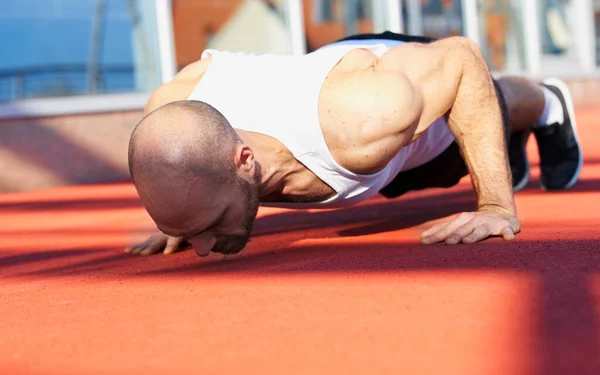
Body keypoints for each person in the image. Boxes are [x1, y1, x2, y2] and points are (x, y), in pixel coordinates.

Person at [125, 31, 582, 257]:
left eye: (211, 224)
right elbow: (176, 165)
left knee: (493, 104)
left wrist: (497, 207)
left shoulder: (366, 119)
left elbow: (461, 58)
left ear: (244, 160)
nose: (201, 249)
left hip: (377, 86)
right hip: (352, 132)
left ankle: (548, 107)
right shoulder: (171, 114)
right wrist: (184, 215)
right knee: (396, 172)